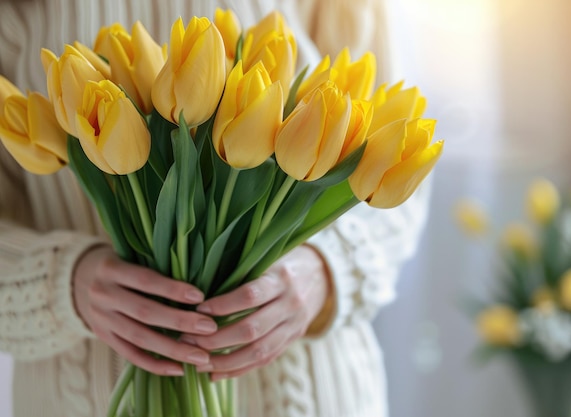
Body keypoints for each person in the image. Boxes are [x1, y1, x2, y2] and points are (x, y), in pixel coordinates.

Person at [0, 1, 430, 416]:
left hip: (307, 397)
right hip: (78, 397)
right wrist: (61, 281)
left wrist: (326, 269)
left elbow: (393, 154)